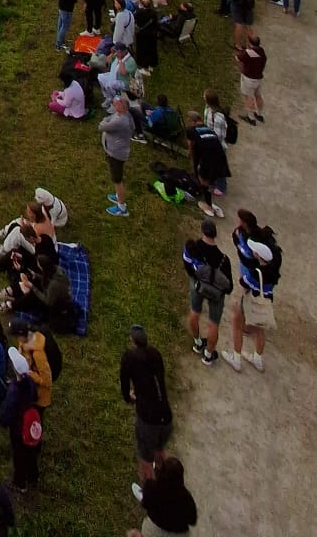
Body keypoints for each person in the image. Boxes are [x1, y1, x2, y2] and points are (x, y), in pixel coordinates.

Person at [223, 210, 280, 373]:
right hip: (266, 298)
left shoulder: (255, 273)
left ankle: (236, 357)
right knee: (260, 328)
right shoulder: (273, 268)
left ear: (258, 256)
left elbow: (243, 282)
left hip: (252, 297)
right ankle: (258, 358)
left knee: (236, 321)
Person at [119, 325, 172, 479]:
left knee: (146, 459)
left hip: (148, 421)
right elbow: (155, 380)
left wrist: (128, 397)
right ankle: (164, 480)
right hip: (166, 416)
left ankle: (149, 493)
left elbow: (124, 382)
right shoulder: (155, 354)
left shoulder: (129, 358)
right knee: (159, 449)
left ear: (132, 340)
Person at [182, 218, 233, 365]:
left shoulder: (193, 248)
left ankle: (198, 342)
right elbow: (229, 287)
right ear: (215, 234)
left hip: (198, 285)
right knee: (213, 324)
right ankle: (208, 355)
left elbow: (188, 266)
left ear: (202, 231)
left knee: (194, 312)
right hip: (216, 294)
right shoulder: (223, 259)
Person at [0, 349, 41, 490]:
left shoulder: (13, 390)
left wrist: (2, 421)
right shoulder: (30, 382)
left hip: (18, 426)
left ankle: (20, 482)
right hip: (29, 420)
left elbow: (8, 410)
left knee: (19, 453)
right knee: (31, 451)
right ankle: (33, 475)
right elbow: (35, 396)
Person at [127, 453, 198, 535]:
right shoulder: (186, 498)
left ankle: (142, 495)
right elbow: (192, 520)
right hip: (180, 530)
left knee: (147, 499)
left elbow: (145, 504)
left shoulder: (151, 488)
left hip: (158, 524)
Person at [102, 95, 135, 216]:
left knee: (117, 180)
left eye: (116, 104)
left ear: (122, 107)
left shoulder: (120, 120)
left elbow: (102, 126)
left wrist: (105, 120)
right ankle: (118, 196)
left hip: (116, 154)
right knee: (117, 178)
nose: (114, 105)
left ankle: (122, 207)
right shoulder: (125, 115)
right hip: (118, 150)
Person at [235, 33, 266, 123]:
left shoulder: (248, 53)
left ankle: (251, 118)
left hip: (248, 79)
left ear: (249, 42)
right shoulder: (261, 51)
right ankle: (259, 114)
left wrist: (243, 50)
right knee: (258, 96)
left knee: (248, 98)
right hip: (258, 78)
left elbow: (238, 57)